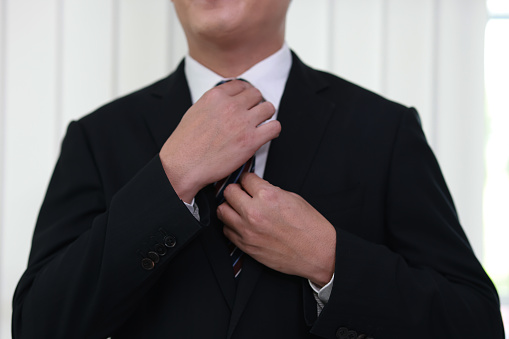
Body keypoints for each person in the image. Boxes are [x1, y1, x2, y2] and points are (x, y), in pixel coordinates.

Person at [12, 1, 505, 338]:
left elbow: (475, 323)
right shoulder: (97, 136)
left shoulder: (385, 130)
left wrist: (329, 260)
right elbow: (39, 324)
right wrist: (172, 178)